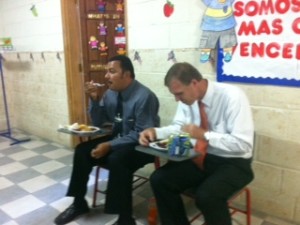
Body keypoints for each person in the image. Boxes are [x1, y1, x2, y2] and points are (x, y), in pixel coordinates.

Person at [139, 62, 254, 225]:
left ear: (194, 83)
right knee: (159, 179)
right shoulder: (187, 101)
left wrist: (204, 135)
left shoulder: (232, 96)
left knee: (207, 196)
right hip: (200, 156)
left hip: (233, 163)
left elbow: (243, 145)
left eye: (179, 94)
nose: (176, 99)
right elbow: (179, 128)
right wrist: (155, 132)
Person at [54, 55, 160, 225]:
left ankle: (125, 219)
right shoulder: (110, 94)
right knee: (82, 151)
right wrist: (95, 100)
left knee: (117, 159)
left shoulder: (144, 96)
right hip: (118, 139)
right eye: (106, 72)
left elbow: (141, 132)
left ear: (126, 74)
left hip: (143, 145)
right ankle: (79, 203)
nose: (106, 76)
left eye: (112, 72)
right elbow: (99, 122)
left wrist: (109, 145)